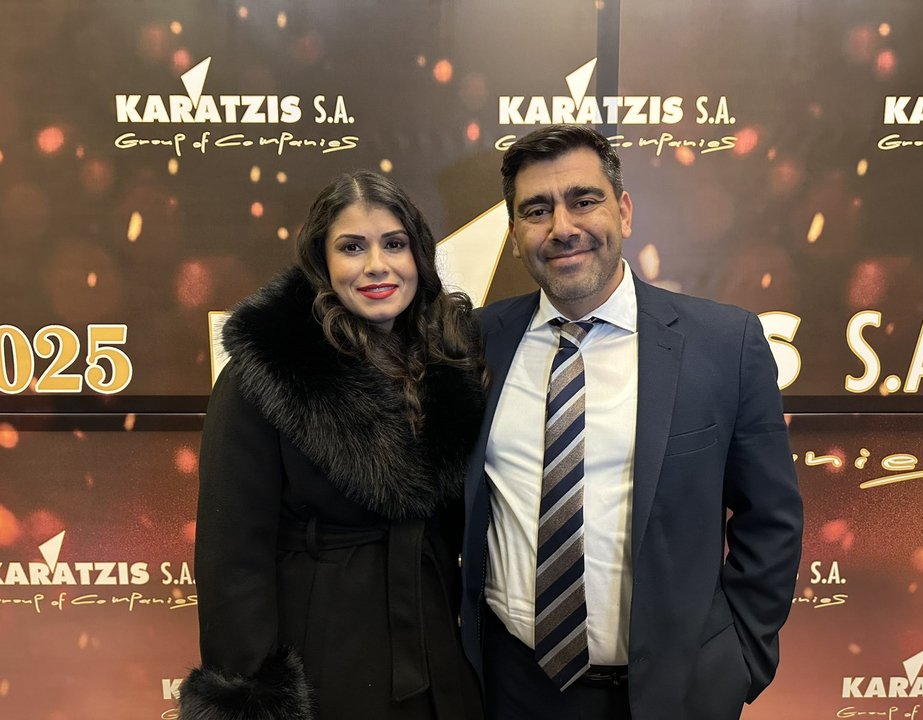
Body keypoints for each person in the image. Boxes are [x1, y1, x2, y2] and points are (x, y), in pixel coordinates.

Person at [460, 125, 803, 720]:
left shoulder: (725, 343)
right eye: (536, 210)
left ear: (623, 211)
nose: (562, 227)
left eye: (583, 200)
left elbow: (770, 519)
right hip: (511, 688)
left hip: (675, 695)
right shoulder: (474, 343)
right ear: (514, 235)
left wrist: (738, 661)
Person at [179, 170, 486, 720]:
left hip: (435, 641)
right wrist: (255, 696)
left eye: (394, 244)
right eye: (352, 247)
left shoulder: (450, 357)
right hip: (323, 652)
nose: (377, 265)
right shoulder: (265, 373)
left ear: (419, 255)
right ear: (321, 261)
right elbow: (233, 560)